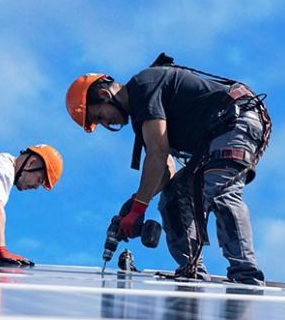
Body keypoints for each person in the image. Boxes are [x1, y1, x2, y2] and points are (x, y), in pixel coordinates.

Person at [65, 54, 271, 285]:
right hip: (215, 137)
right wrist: (136, 201)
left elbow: (158, 152)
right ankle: (192, 270)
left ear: (105, 95)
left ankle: (246, 274)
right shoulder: (142, 115)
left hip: (237, 119)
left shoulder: (143, 86)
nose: (106, 123)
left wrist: (139, 207)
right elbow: (165, 171)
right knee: (173, 196)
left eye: (99, 116)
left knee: (220, 190)